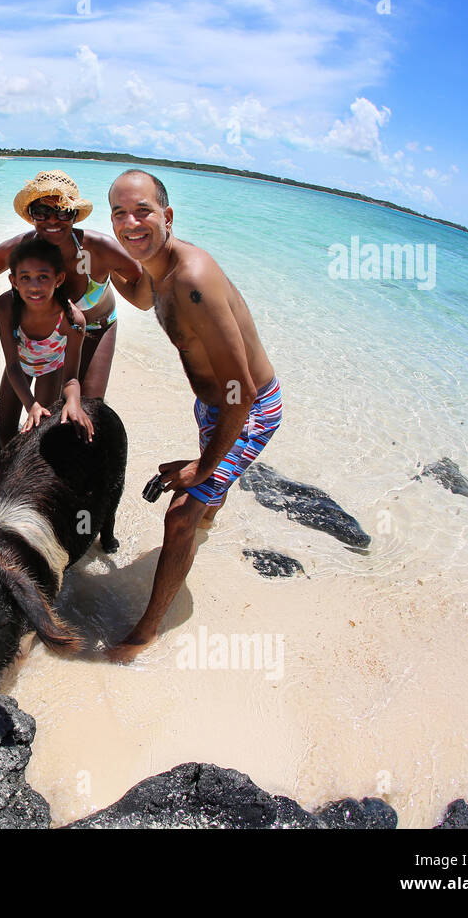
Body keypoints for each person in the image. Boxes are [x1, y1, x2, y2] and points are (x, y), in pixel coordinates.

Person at [104, 169, 282, 663]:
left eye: (142, 210)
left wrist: (201, 469)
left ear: (168, 215)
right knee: (203, 501)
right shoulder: (158, 268)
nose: (130, 222)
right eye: (119, 213)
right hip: (212, 404)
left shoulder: (192, 279)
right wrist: (101, 260)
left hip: (247, 409)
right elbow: (141, 297)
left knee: (181, 514)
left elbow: (242, 392)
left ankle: (146, 632)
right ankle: (211, 514)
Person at [0, 171, 141, 438]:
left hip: (93, 327)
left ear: (75, 215)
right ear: (31, 214)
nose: (53, 220)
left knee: (88, 412)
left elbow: (143, 280)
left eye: (63, 211)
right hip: (44, 338)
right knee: (41, 421)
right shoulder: (20, 250)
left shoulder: (97, 249)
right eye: (42, 211)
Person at [0, 236, 94, 448]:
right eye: (26, 277)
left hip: (51, 370)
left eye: (43, 277)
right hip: (17, 369)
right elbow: (12, 364)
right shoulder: (5, 306)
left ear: (58, 279)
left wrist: (74, 402)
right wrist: (31, 404)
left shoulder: (72, 320)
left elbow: (71, 379)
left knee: (38, 434)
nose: (34, 286)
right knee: (5, 434)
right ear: (13, 281)